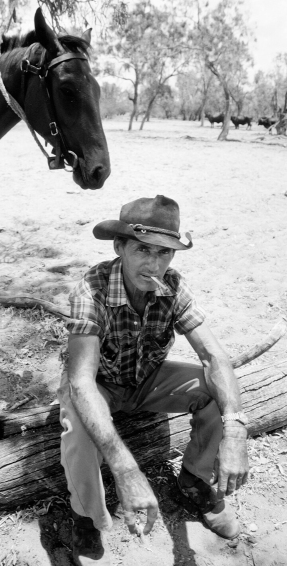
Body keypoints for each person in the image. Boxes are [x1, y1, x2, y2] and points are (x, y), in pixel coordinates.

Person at [57, 195, 249, 566]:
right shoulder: (90, 291)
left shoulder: (173, 286)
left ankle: (193, 480)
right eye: (144, 250)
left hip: (146, 380)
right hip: (100, 385)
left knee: (216, 391)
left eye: (165, 253)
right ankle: (86, 513)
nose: (155, 263)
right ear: (119, 247)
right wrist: (127, 470)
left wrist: (236, 431)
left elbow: (214, 356)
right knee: (77, 423)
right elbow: (81, 382)